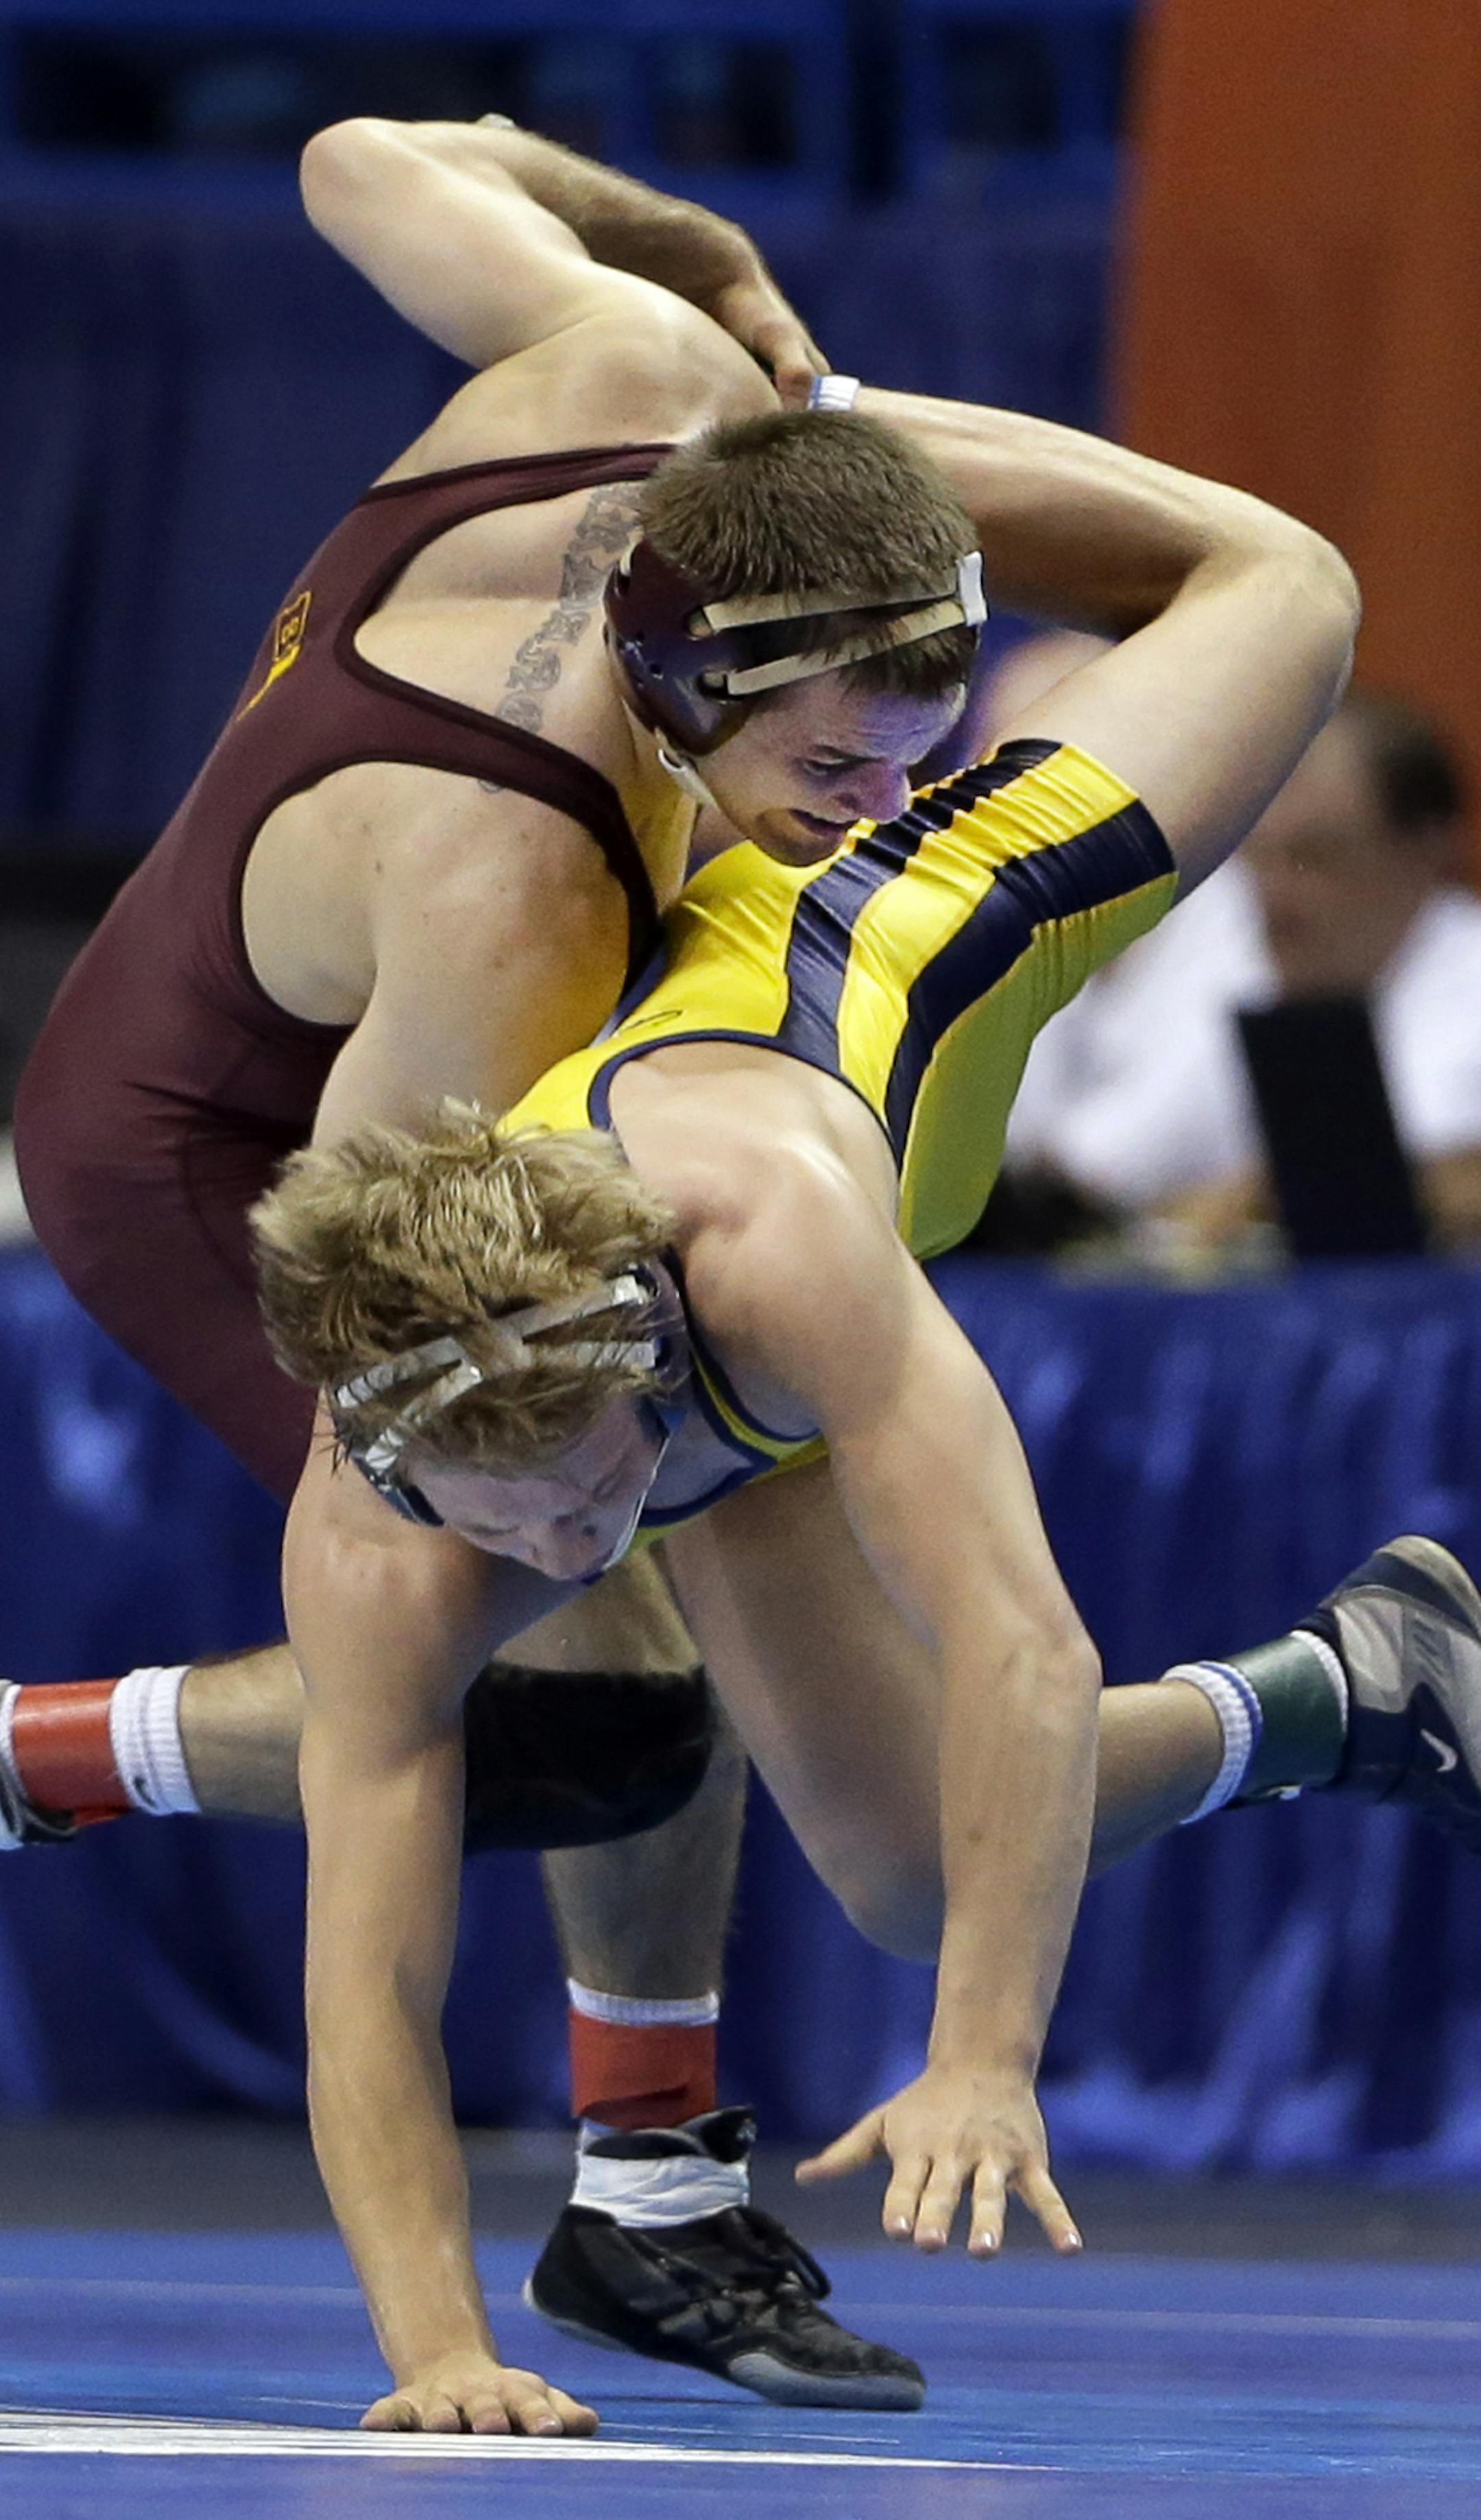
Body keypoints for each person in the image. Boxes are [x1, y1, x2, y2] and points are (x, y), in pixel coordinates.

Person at [8, 114, 1013, 2420]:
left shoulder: (630, 349)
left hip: (360, 1060)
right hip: (238, 1163)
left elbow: (362, 152)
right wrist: (423, 2347)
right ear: (677, 689)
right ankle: (53, 1757)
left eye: (913, 737)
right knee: (583, 1667)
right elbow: (380, 1301)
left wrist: (701, 243)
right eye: (827, 764)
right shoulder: (519, 898)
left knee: (687, 1510)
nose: (875, 792)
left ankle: (646, 2192)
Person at [243, 406, 1384, 2431]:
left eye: (560, 1508)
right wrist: (437, 2353)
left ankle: (797, 412)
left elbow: (1025, 1642)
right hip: (682, 1325)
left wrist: (981, 2056)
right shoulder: (401, 1485)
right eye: (486, 1522)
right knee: (916, 1866)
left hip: (904, 959)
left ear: (638, 1385)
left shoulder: (776, 1246)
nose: (525, 1566)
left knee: (1290, 581)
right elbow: (372, 1989)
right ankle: (1359, 1687)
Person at [1005, 688, 1481, 1247]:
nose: (1276, 897)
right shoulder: (1231, 976)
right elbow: (1091, 1172)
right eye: (1262, 858)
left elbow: (1449, 1176)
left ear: (1425, 847)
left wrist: (1257, 1197)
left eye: (1317, 857)